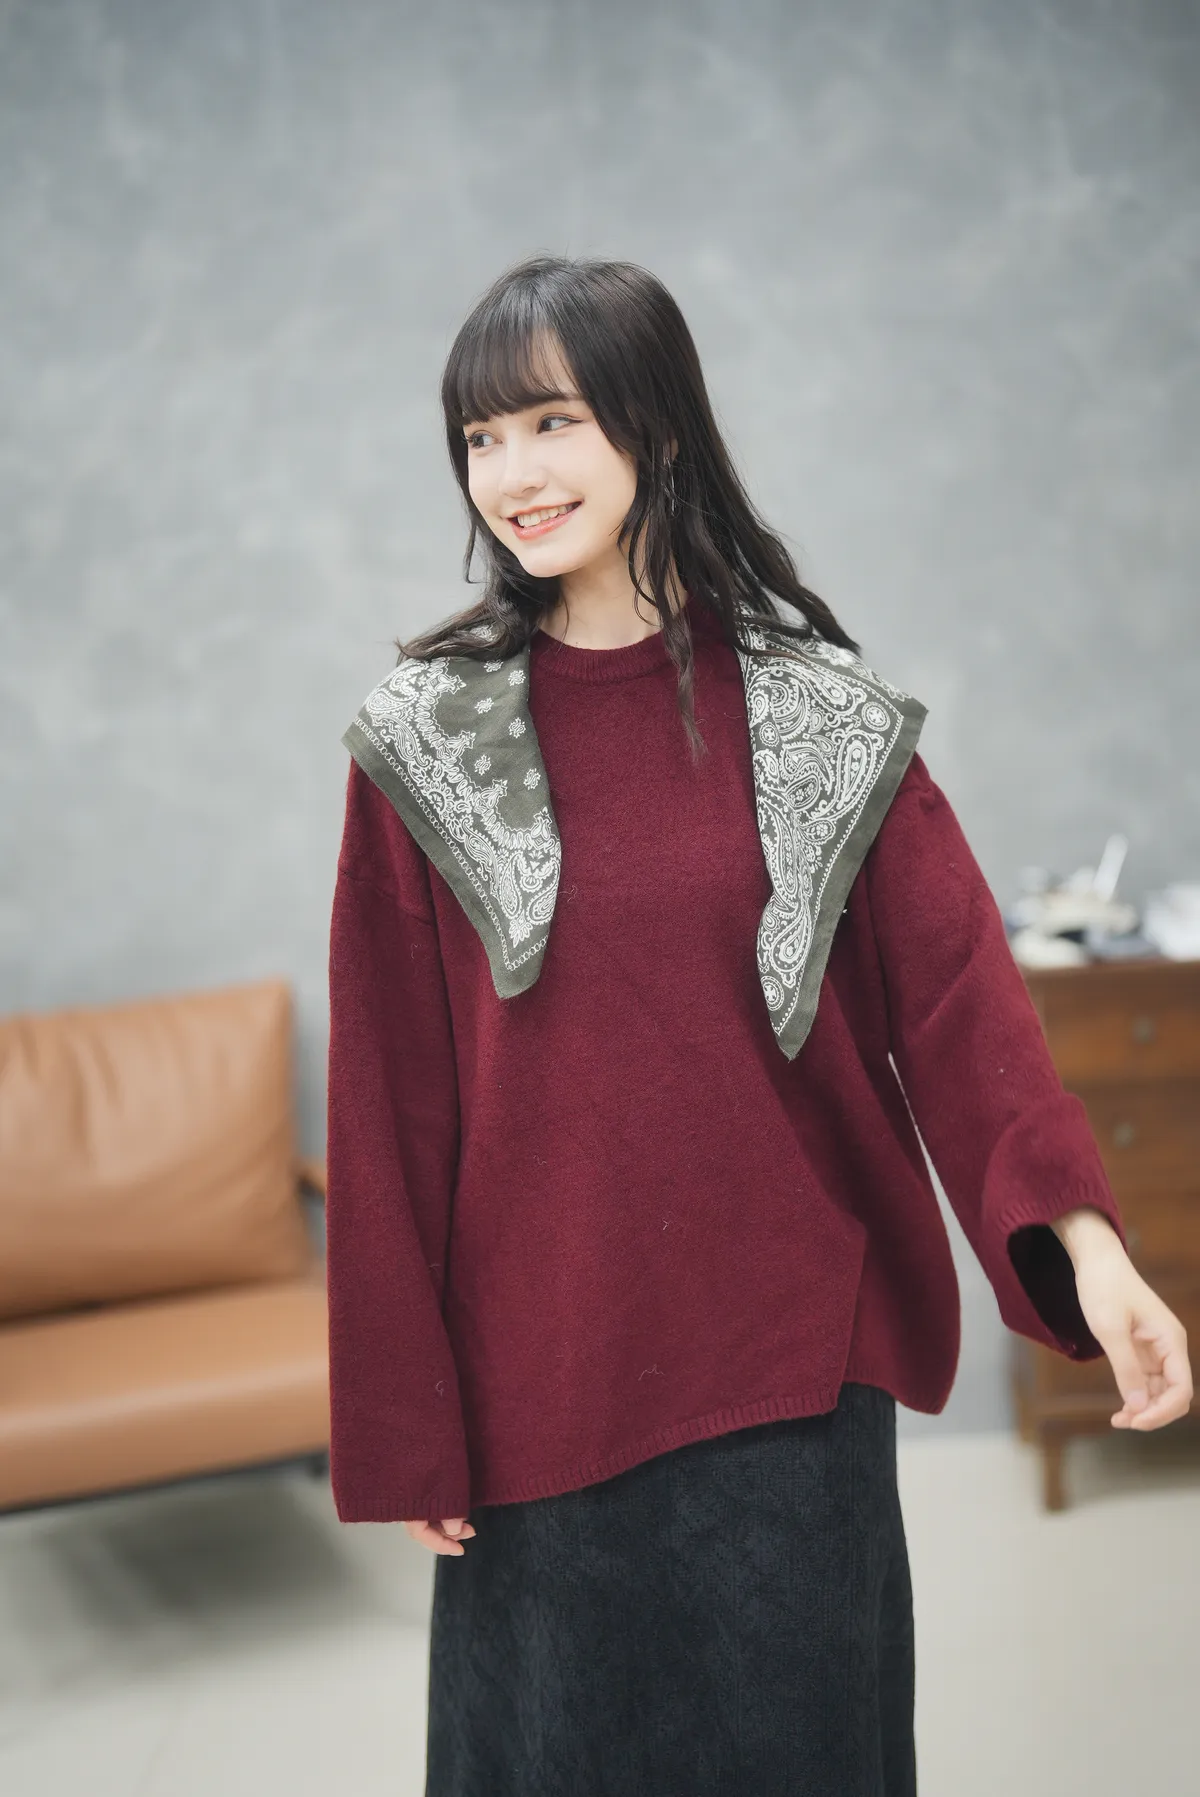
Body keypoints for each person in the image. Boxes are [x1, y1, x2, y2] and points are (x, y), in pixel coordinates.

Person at [324, 254, 1193, 1797]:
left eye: (550, 422)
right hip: (544, 1375)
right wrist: (405, 1416)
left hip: (793, 1375)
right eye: (480, 438)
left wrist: (1093, 1249)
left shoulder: (817, 716)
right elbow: (389, 1103)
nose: (511, 474)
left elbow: (960, 1004)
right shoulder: (426, 744)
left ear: (654, 424)